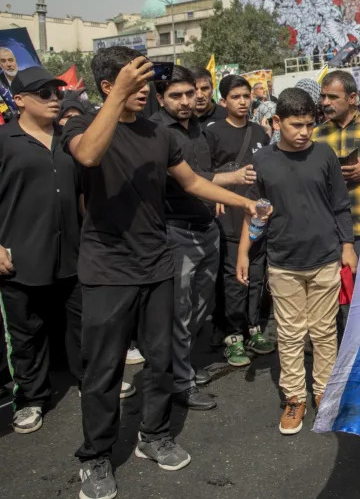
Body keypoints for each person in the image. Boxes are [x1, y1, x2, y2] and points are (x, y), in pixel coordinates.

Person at [63, 46, 258, 499]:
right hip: (107, 269)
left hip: (157, 261)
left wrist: (242, 201)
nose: (147, 90)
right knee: (104, 369)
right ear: (109, 87)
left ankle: (154, 435)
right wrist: (115, 101)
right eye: (137, 81)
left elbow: (192, 182)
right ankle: (96, 456)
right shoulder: (81, 125)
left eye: (148, 80)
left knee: (162, 358)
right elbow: (88, 156)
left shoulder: (159, 134)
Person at [238, 88, 356, 435]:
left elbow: (340, 206)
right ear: (277, 123)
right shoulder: (262, 162)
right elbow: (255, 213)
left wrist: (347, 246)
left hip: (325, 260)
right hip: (283, 262)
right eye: (295, 125)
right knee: (289, 335)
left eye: (309, 124)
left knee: (324, 332)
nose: (304, 132)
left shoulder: (325, 155)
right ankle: (294, 397)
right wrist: (243, 252)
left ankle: (324, 391)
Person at [151, 65, 258, 410]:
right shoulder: (156, 132)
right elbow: (193, 180)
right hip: (176, 231)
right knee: (180, 311)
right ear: (160, 98)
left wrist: (216, 200)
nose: (187, 100)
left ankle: (181, 366)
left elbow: (205, 179)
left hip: (207, 228)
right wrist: (231, 183)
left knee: (202, 306)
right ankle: (180, 382)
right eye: (176, 95)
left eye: (191, 93)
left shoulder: (198, 128)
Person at [0, 67, 83, 434]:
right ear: (18, 100)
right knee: (26, 333)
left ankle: (89, 382)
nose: (55, 99)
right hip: (21, 256)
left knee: (81, 324)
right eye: (45, 93)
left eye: (57, 92)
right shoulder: (4, 141)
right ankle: (31, 398)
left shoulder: (70, 138)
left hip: (73, 253)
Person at [206, 75, 274, 367]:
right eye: (236, 97)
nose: (243, 101)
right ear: (223, 102)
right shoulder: (213, 133)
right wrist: (217, 195)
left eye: (246, 96)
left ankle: (254, 329)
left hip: (258, 216)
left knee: (257, 276)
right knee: (235, 277)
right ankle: (232, 336)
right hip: (229, 218)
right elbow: (203, 176)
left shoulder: (260, 132)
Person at [311, 71, 360, 339]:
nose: (324, 102)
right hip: (330, 234)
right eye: (323, 96)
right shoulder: (314, 136)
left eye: (333, 96)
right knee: (337, 299)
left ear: (353, 98)